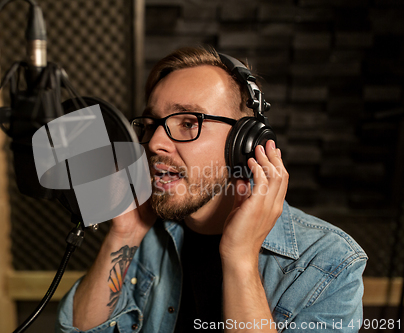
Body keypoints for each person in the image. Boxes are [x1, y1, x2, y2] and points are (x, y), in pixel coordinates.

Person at [55, 46, 367, 333]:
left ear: (244, 143)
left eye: (188, 123)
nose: (154, 143)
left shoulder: (330, 262)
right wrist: (125, 233)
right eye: (150, 124)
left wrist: (240, 258)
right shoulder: (144, 235)